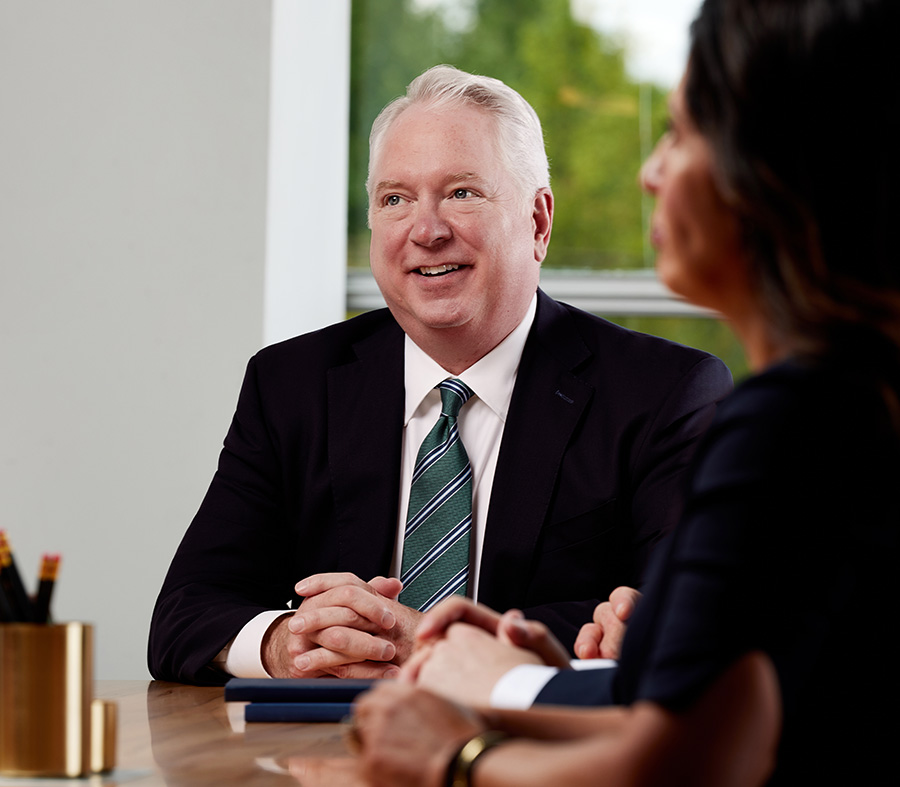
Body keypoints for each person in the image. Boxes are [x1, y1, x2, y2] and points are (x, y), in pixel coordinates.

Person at [348, 0, 900, 783]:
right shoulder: (852, 405)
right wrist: (543, 685)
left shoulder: (790, 427)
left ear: (771, 165)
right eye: (394, 198)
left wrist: (453, 753)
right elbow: (734, 725)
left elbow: (678, 765)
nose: (650, 172)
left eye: (680, 133)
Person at [147, 65, 731, 686]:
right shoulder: (291, 384)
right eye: (395, 200)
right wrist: (286, 643)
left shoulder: (665, 392)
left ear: (538, 222)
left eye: (461, 193)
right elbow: (183, 615)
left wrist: (429, 643)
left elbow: (683, 619)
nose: (426, 231)